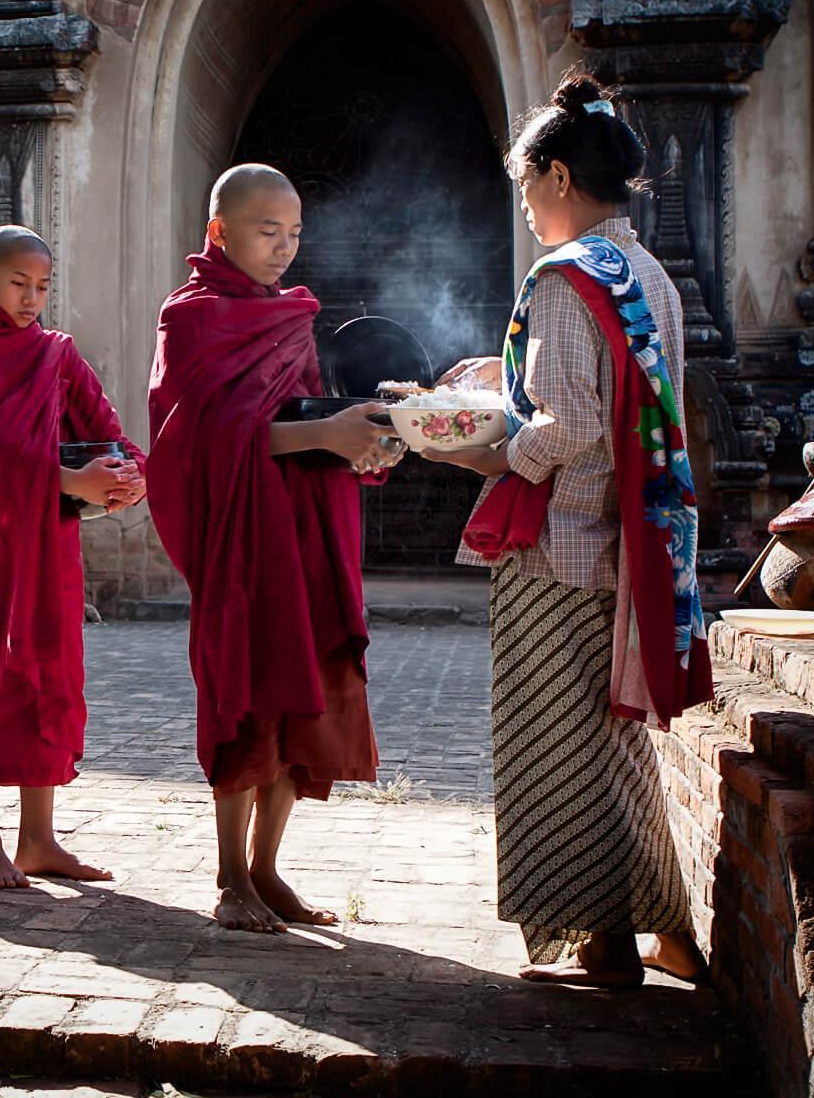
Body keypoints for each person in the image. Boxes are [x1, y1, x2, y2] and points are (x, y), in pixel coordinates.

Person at [426, 72, 713, 987]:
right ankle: (663, 927)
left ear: (554, 176)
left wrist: (482, 446)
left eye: (524, 189)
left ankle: (606, 939)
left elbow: (570, 426)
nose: (526, 209)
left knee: (557, 748)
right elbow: (616, 395)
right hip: (632, 545)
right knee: (619, 743)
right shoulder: (646, 272)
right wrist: (503, 378)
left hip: (560, 549)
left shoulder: (560, 275)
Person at [147, 164, 400, 934]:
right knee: (247, 692)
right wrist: (323, 433)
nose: (285, 249)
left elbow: (299, 414)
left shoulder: (290, 316)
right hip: (241, 541)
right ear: (219, 232)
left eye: (294, 234)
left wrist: (356, 447)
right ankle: (229, 877)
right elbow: (196, 443)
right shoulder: (191, 318)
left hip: (303, 531)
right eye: (268, 232)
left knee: (308, 692)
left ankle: (267, 870)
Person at [0, 224, 146, 888]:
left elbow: (103, 424)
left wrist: (129, 471)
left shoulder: (56, 353)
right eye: (18, 284)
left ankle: (39, 839)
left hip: (50, 545)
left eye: (42, 288)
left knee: (48, 678)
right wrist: (71, 482)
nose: (30, 300)